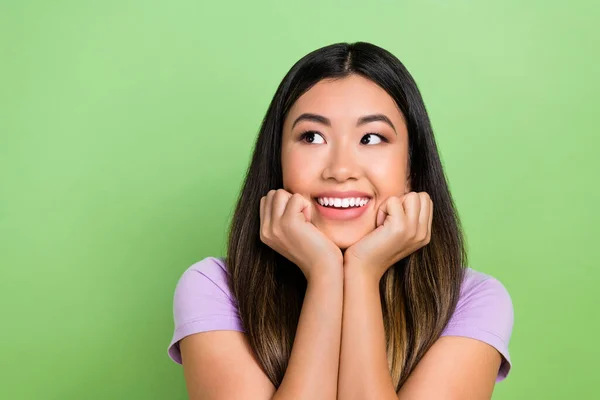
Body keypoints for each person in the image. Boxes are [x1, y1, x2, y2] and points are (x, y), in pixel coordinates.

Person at [167, 41, 514, 399]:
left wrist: (361, 273)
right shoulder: (213, 288)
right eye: (312, 137)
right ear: (278, 162)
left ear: (412, 168)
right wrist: (325, 273)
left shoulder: (474, 301)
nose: (341, 170)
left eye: (372, 137)